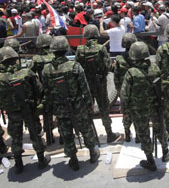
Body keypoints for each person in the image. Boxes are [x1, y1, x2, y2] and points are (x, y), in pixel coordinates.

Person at [42, 36, 100, 171]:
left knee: (66, 133)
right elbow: (84, 87)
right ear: (66, 49)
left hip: (60, 107)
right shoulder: (74, 66)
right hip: (78, 105)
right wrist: (89, 103)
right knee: (86, 128)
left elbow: (47, 91)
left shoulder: (47, 70)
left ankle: (73, 160)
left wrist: (52, 108)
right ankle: (92, 152)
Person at [0, 46, 51, 173]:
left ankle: (19, 164)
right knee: (35, 134)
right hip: (29, 109)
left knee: (16, 137)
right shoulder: (26, 73)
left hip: (12, 112)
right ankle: (41, 160)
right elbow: (39, 90)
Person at [120, 41, 169, 171]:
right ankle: (165, 151)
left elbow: (124, 95)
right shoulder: (155, 68)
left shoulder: (131, 73)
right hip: (156, 106)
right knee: (160, 128)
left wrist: (126, 111)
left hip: (138, 110)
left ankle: (150, 160)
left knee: (143, 133)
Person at [76, 24, 120, 143]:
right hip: (100, 82)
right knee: (104, 108)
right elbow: (107, 66)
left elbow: (77, 67)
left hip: (86, 83)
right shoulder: (101, 48)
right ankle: (109, 134)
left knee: (88, 108)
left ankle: (90, 137)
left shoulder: (80, 49)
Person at [29, 34, 55, 144]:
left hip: (44, 89)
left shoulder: (37, 59)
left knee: (46, 112)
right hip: (58, 87)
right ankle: (63, 137)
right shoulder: (56, 56)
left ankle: (49, 136)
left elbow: (29, 73)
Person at [113, 33, 138, 142]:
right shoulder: (138, 57)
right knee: (137, 112)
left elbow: (116, 77)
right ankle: (139, 135)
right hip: (137, 89)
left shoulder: (119, 59)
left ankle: (127, 134)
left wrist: (118, 90)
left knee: (126, 112)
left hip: (124, 90)